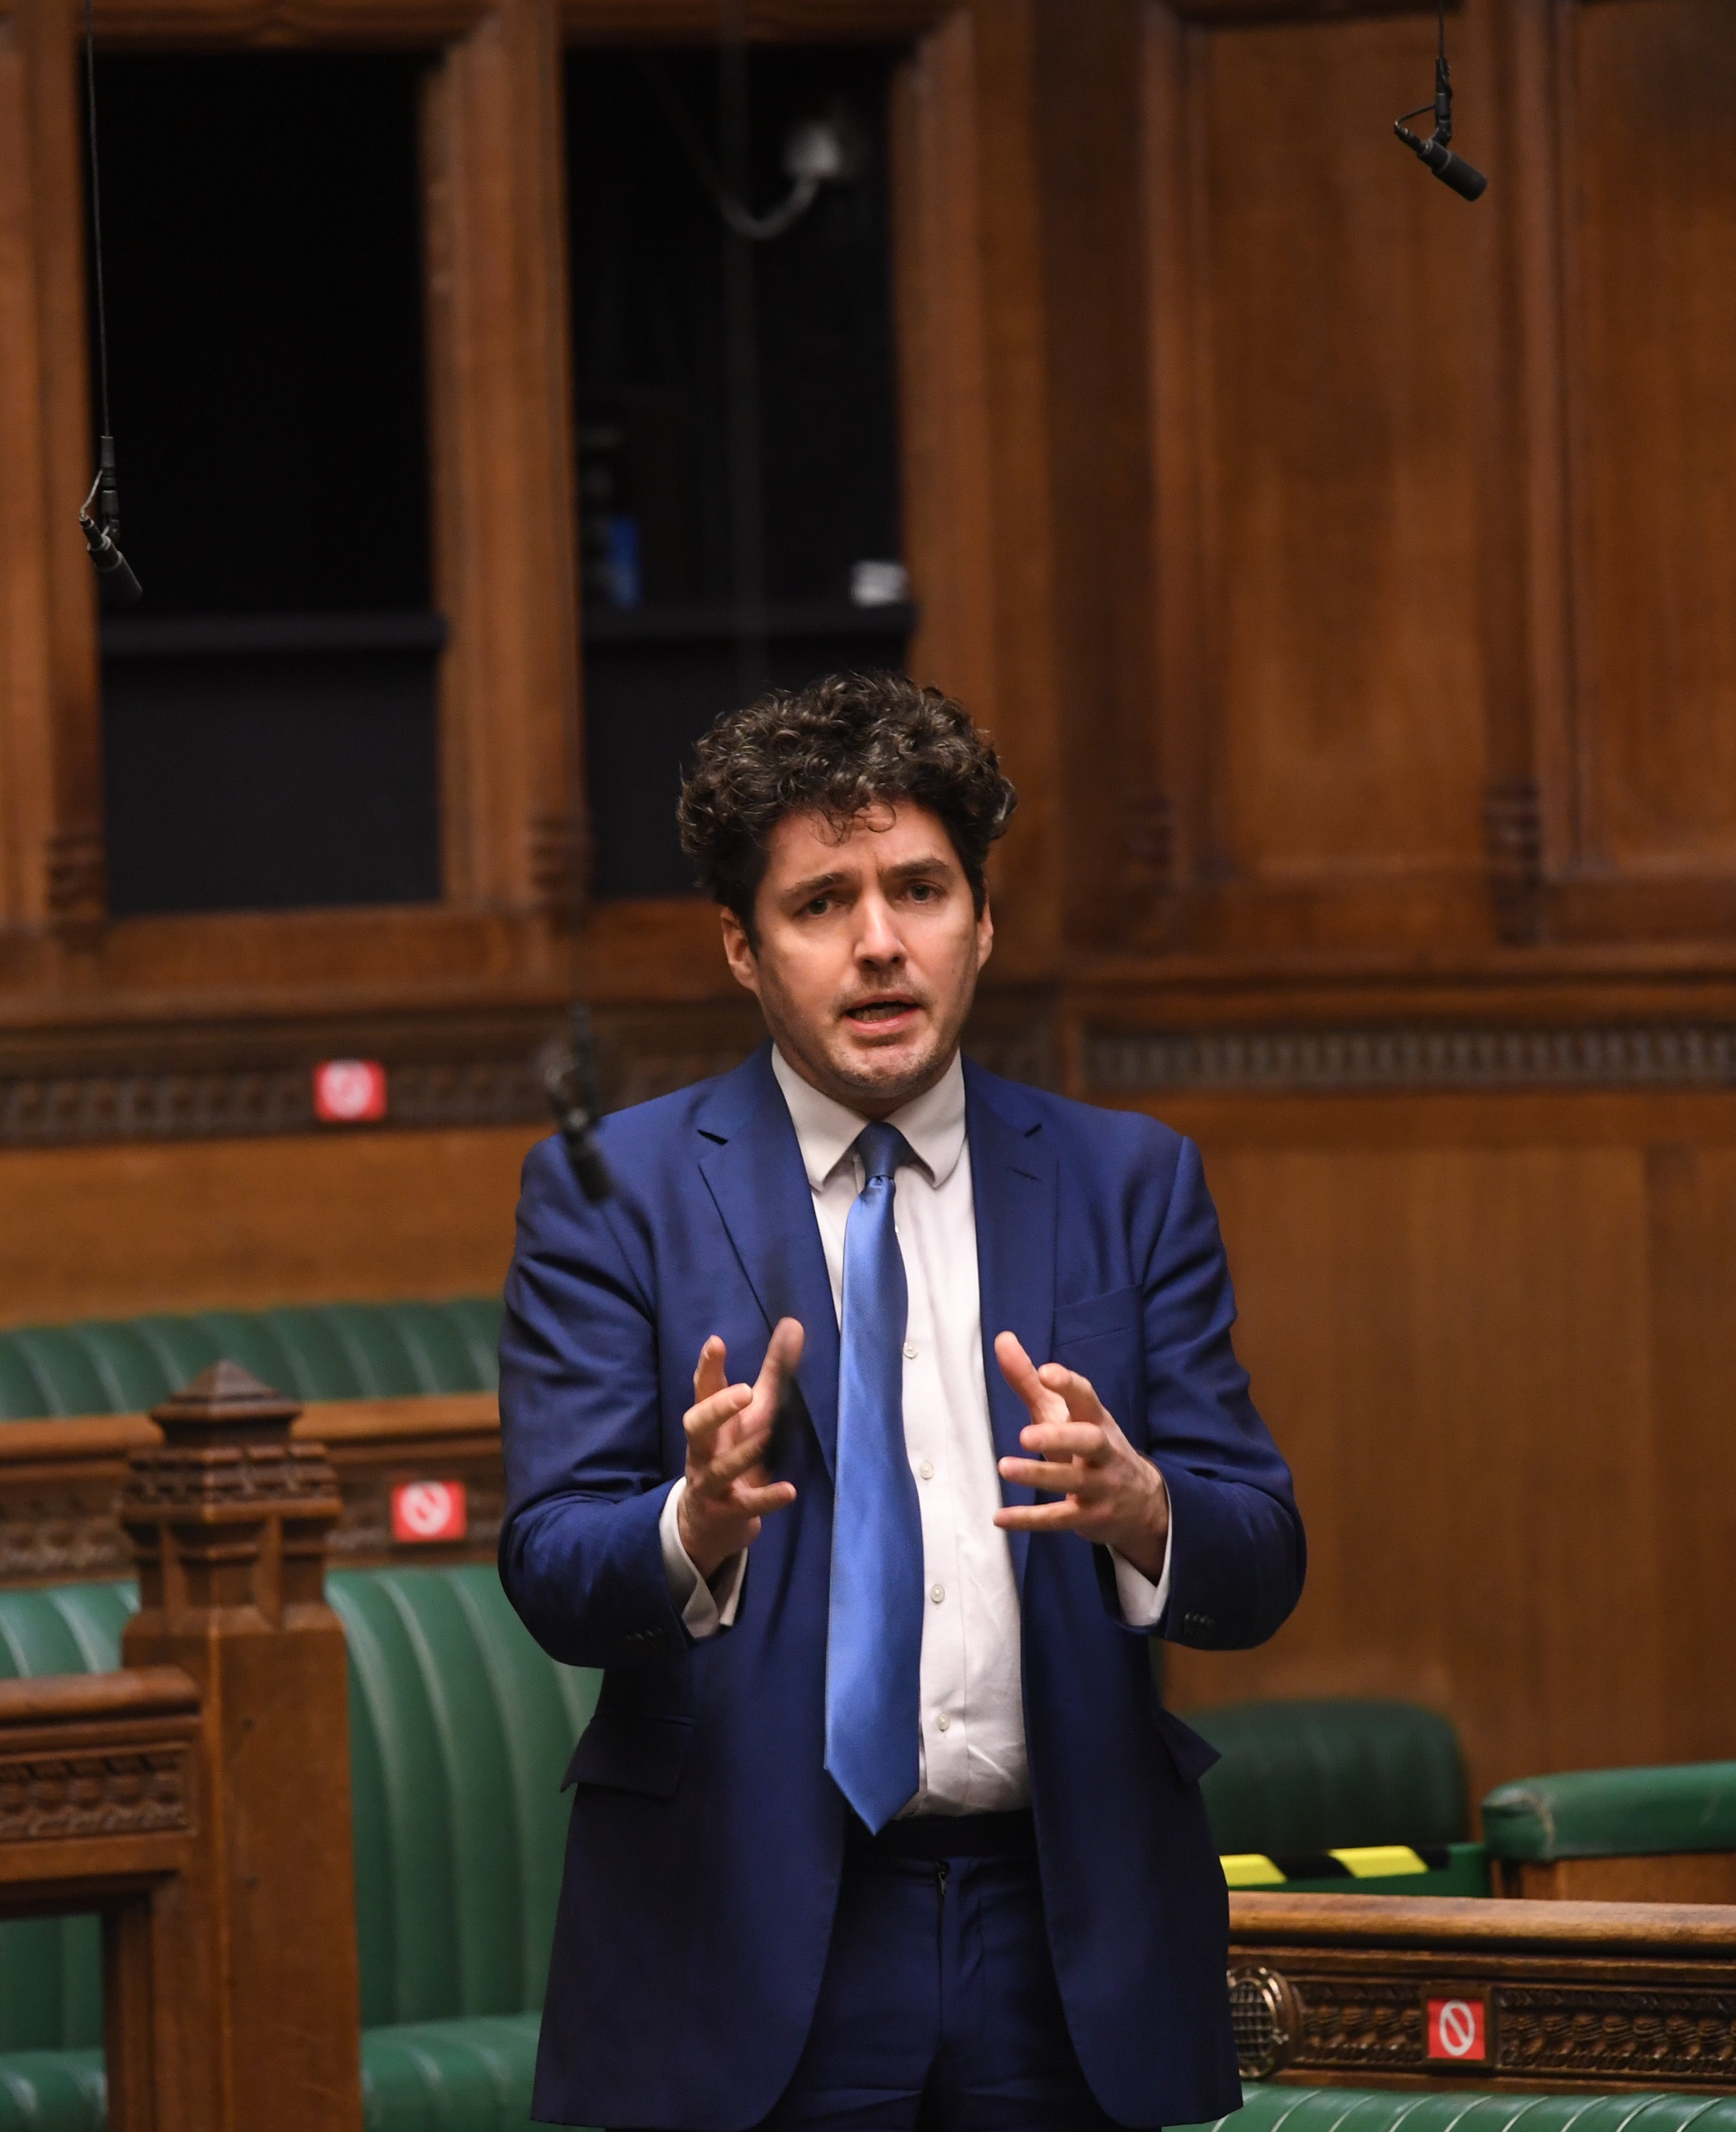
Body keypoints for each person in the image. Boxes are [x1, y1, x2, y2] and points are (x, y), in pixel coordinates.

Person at [498, 673, 1305, 2132]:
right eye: (822, 904)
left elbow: (1262, 1559)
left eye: (921, 888)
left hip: (1063, 1941)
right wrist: (690, 1522)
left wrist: (1147, 1510)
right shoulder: (610, 1192)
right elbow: (553, 1568)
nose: (881, 943)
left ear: (982, 923)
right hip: (741, 1936)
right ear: (743, 948)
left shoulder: (1132, 1181)